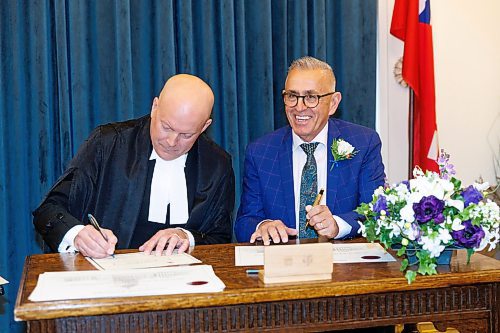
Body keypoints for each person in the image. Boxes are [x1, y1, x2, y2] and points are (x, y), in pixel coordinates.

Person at [33, 74, 235, 258]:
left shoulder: (217, 164)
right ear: (154, 107)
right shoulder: (109, 144)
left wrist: (187, 237)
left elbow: (220, 238)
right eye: (166, 127)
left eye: (186, 135)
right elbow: (48, 211)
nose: (172, 142)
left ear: (205, 126)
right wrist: (77, 234)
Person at [234, 56, 385, 244]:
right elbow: (244, 222)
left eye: (311, 97)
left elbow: (377, 212)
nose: (299, 107)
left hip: (342, 268)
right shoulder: (260, 152)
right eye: (292, 96)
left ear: (333, 103)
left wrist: (338, 225)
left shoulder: (364, 143)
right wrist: (263, 225)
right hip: (284, 264)